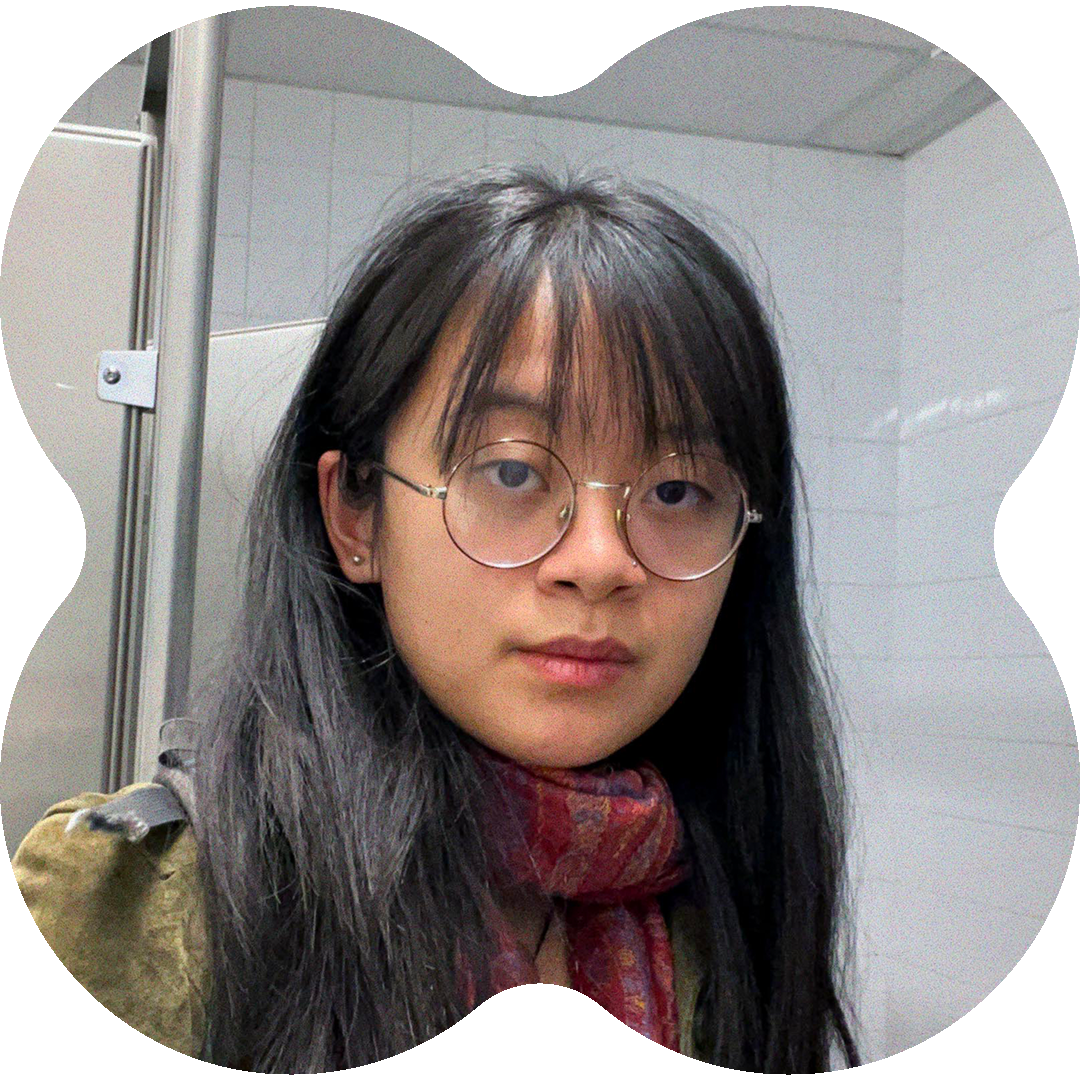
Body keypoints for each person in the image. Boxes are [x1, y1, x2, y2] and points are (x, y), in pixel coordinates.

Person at [13, 162, 862, 1071]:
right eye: (511, 472)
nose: (600, 562)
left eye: (678, 490)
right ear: (356, 516)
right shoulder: (136, 907)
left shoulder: (730, 913)